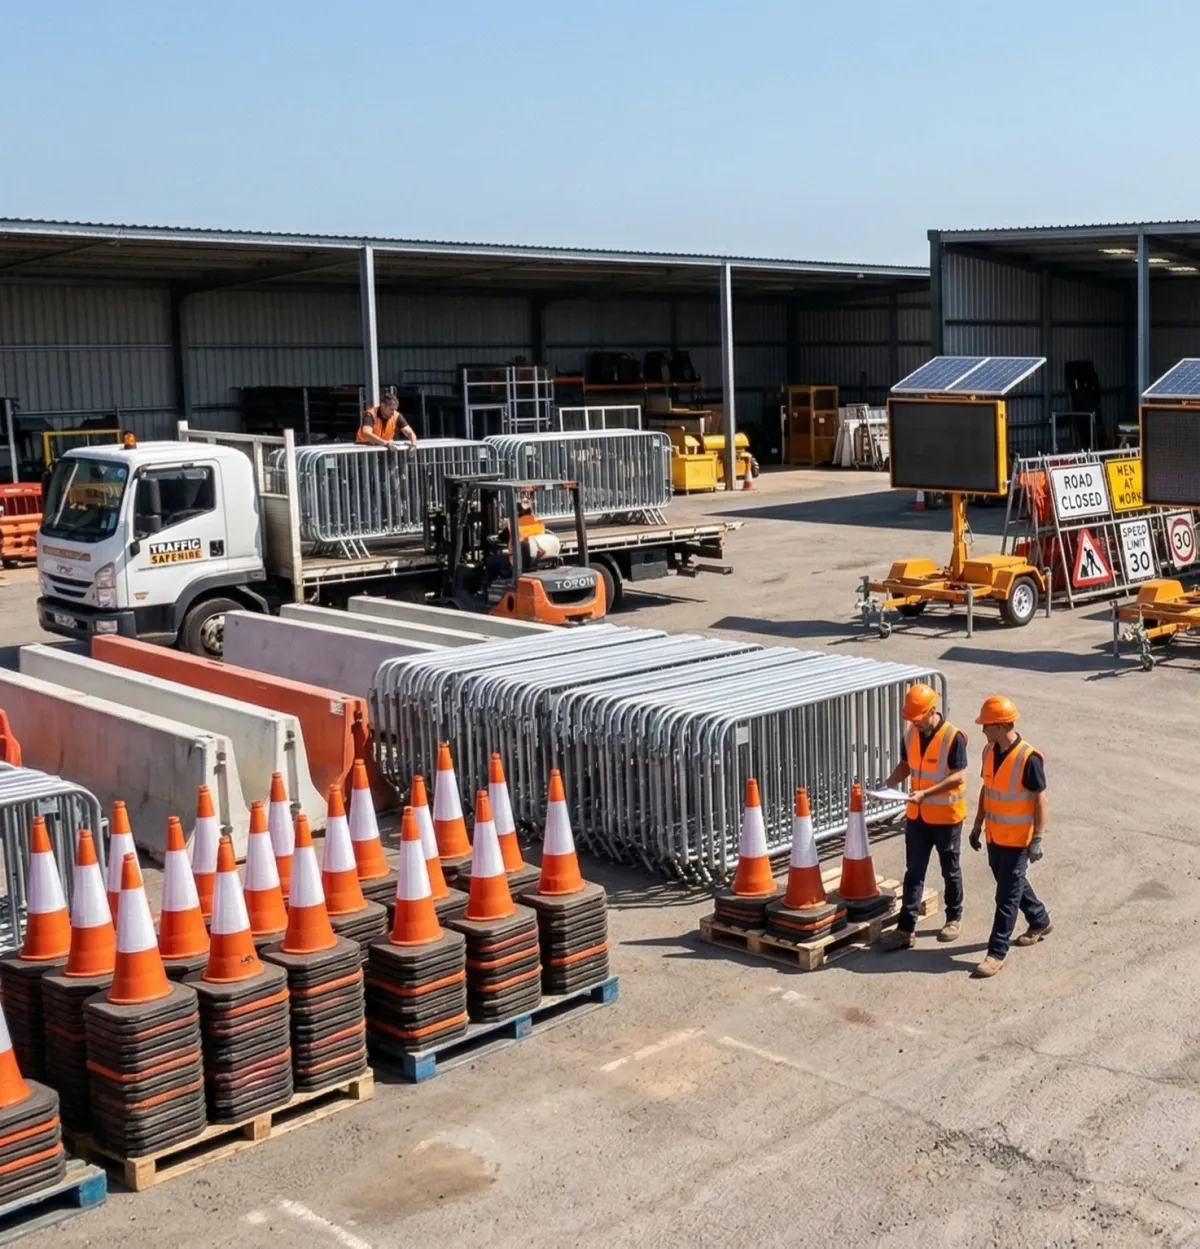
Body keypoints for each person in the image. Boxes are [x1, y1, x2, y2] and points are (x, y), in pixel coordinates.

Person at [880, 683, 967, 950]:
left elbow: (958, 776)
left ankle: (954, 918)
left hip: (946, 817)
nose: (914, 723)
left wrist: (926, 793)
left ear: (931, 711)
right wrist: (888, 785)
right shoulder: (910, 734)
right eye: (911, 719)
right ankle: (906, 929)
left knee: (949, 870)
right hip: (917, 816)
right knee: (914, 872)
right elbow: (907, 765)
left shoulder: (954, 737)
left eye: (918, 718)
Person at [969, 695, 1051, 979]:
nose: (983, 730)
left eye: (987, 725)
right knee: (1012, 884)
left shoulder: (1028, 758)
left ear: (1002, 726)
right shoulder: (988, 752)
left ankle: (996, 952)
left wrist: (1037, 838)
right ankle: (1039, 919)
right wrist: (978, 824)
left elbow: (1040, 800)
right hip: (994, 837)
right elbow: (986, 789)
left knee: (1005, 896)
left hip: (1018, 841)